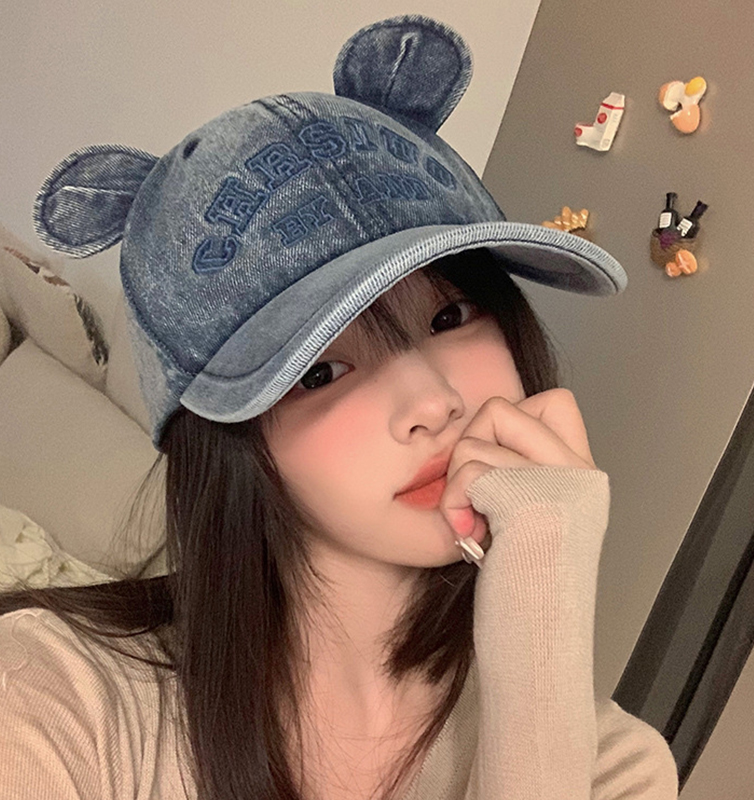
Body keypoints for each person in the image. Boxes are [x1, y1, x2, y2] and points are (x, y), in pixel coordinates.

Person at [0, 14, 679, 800]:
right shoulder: (52, 699)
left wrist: (542, 622)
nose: (434, 404)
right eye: (320, 371)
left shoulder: (617, 768)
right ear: (227, 440)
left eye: (450, 316)